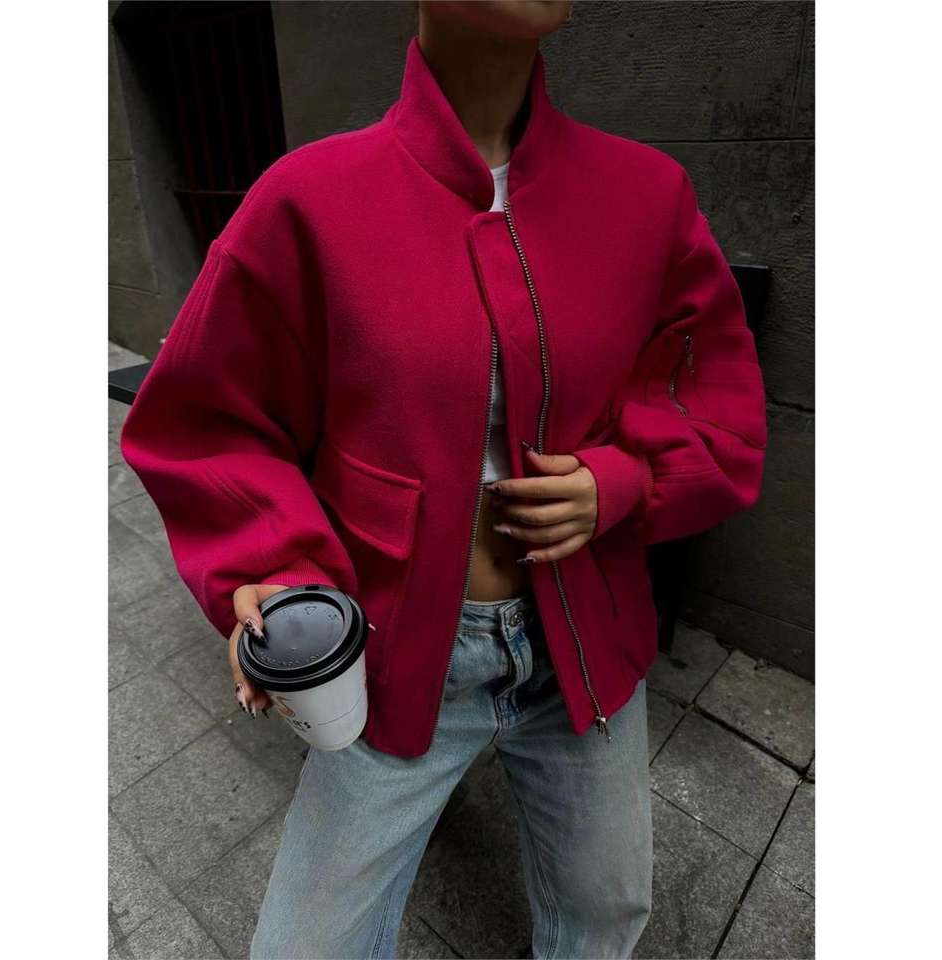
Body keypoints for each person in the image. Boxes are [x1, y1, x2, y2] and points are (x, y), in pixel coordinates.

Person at [119, 2, 767, 957]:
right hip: (395, 646)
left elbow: (712, 397)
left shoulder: (647, 195)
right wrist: (277, 566)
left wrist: (625, 480)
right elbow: (212, 418)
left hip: (587, 641)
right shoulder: (308, 200)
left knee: (605, 914)